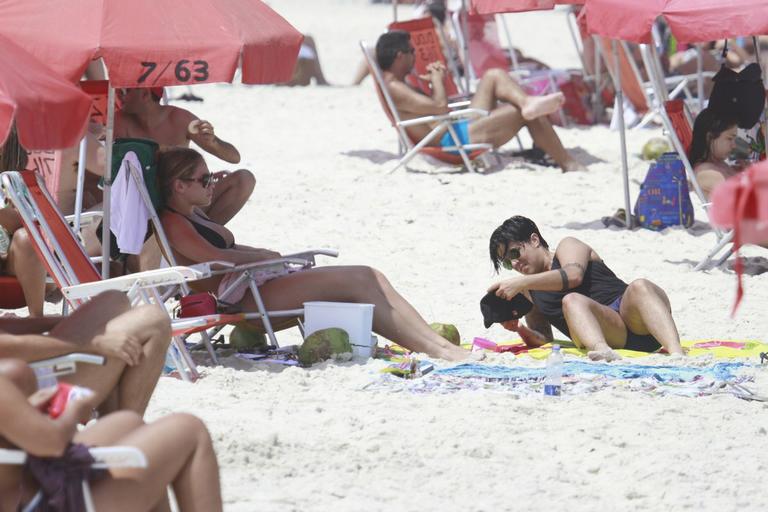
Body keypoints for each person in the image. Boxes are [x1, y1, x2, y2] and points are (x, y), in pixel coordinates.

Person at [156, 146, 469, 361]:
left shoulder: (192, 214)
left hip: (252, 287)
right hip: (243, 300)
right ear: (179, 186)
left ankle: (435, 343)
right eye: (204, 179)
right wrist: (263, 256)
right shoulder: (173, 223)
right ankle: (437, 349)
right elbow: (216, 260)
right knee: (359, 280)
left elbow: (228, 250)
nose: (212, 184)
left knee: (370, 276)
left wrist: (262, 254)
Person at [0, 359, 222, 512]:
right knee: (189, 430)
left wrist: (25, 412)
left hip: (26, 484)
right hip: (46, 503)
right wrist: (75, 410)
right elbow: (53, 443)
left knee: (127, 422)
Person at [375, 30, 586, 172]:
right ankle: (568, 162)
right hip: (453, 141)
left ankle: (527, 102)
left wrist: (433, 84)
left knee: (493, 75)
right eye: (412, 52)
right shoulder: (395, 87)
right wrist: (438, 81)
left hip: (455, 128)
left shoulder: (398, 83)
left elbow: (431, 109)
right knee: (523, 114)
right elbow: (439, 107)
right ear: (399, 56)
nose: (415, 56)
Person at [487, 216, 684, 361]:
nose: (514, 264)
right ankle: (603, 354)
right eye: (506, 262)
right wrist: (519, 328)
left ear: (534, 240)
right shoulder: (530, 290)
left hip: (637, 318)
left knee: (640, 285)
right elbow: (545, 341)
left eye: (515, 252)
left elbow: (573, 275)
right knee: (572, 301)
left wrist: (521, 282)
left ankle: (677, 355)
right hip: (610, 334)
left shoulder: (568, 246)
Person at [0, 290, 171, 415]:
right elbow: (7, 348)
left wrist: (66, 323)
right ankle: (125, 428)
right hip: (26, 394)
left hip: (25, 370)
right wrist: (88, 342)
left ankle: (112, 423)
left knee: (114, 300)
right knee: (154, 320)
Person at [0, 128, 50, 317]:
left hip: (16, 261)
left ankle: (36, 317)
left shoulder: (22, 180)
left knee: (28, 238)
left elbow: (25, 223)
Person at [689, 108, 743, 200]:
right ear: (710, 137)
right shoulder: (706, 172)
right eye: (729, 138)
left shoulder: (717, 164)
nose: (734, 145)